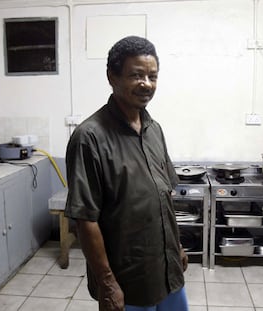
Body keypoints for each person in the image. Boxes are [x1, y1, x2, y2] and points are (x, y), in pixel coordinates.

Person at [65, 35, 189, 311]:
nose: (146, 84)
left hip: (167, 270)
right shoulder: (90, 137)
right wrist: (107, 283)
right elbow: (85, 219)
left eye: (152, 76)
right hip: (127, 280)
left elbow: (164, 197)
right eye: (136, 75)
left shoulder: (154, 130)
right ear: (113, 77)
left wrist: (177, 246)